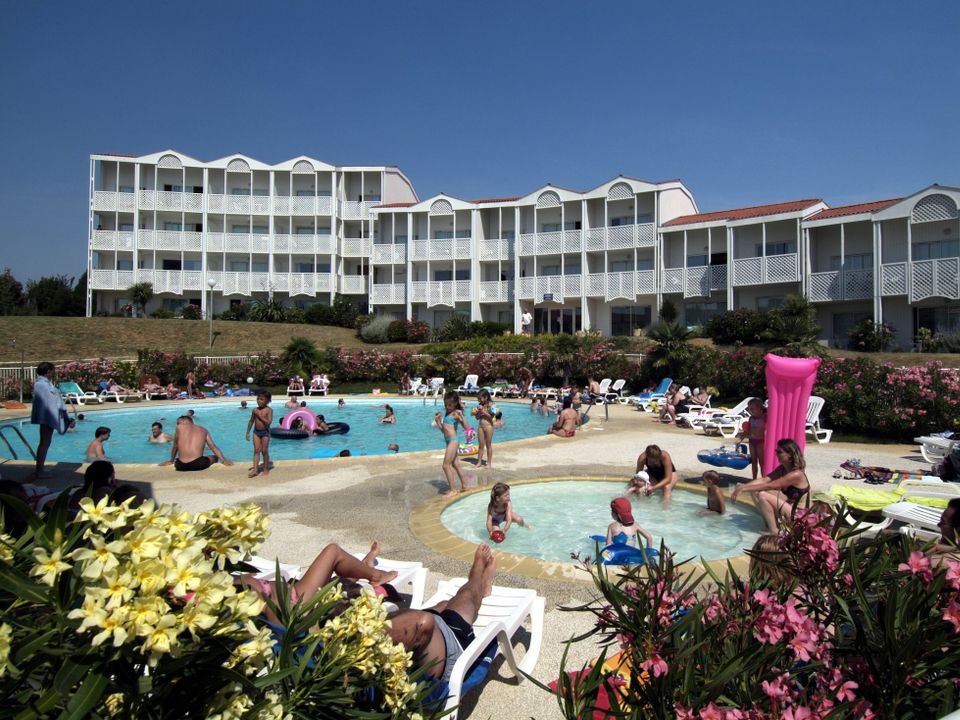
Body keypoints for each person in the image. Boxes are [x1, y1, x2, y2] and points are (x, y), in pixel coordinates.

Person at [386, 544, 495, 686]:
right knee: (466, 597)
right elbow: (424, 621)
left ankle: (480, 587)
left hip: (430, 631)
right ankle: (478, 575)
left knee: (445, 604)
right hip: (443, 648)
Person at [241, 541, 398, 626]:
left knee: (333, 584)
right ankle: (376, 575)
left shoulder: (227, 590)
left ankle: (364, 566)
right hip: (299, 605)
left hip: (296, 593)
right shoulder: (237, 599)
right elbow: (278, 623)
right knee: (333, 551)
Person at [731, 438, 810, 534]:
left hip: (799, 514)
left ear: (790, 454)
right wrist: (742, 487)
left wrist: (743, 488)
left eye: (779, 452)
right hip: (789, 507)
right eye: (776, 451)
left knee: (763, 495)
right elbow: (765, 479)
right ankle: (769, 524)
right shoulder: (783, 469)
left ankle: (774, 531)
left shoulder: (796, 474)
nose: (776, 454)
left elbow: (770, 485)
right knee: (755, 491)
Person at [29, 362, 70, 480]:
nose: (54, 372)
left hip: (46, 417)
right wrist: (61, 416)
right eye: (53, 370)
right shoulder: (43, 385)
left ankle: (40, 468)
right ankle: (39, 470)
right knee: (45, 443)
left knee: (45, 442)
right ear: (48, 371)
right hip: (47, 417)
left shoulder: (42, 384)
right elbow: (52, 402)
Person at [159, 415, 234, 471]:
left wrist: (171, 461)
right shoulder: (204, 430)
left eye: (178, 423)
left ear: (183, 421)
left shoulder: (179, 427)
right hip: (199, 464)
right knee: (214, 457)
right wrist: (223, 460)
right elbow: (213, 447)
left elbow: (175, 446)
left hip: (180, 465)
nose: (177, 424)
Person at [435, 391, 467, 496]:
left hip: (453, 441)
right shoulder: (448, 413)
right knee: (456, 464)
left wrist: (462, 419)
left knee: (445, 466)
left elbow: (467, 427)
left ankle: (453, 490)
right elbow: (444, 431)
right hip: (449, 441)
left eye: (450, 405)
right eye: (445, 405)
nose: (447, 407)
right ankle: (465, 486)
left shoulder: (456, 413)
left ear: (455, 403)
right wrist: (439, 421)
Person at [245, 392, 273, 478]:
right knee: (256, 450)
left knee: (264, 450)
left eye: (261, 399)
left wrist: (259, 415)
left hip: (265, 432)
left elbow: (268, 422)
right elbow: (251, 421)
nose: (259, 401)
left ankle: (266, 468)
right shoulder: (254, 410)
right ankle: (255, 470)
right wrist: (248, 432)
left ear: (267, 401)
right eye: (258, 399)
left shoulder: (269, 410)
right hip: (256, 432)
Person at [737, 398, 767, 480]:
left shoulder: (765, 417)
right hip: (752, 441)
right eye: (749, 409)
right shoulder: (751, 418)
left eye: (752, 409)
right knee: (754, 461)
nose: (750, 411)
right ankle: (754, 479)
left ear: (759, 408)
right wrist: (740, 439)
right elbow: (747, 431)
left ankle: (764, 479)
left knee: (762, 462)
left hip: (761, 441)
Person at [475, 390, 495, 469]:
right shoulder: (479, 405)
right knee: (480, 445)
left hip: (489, 426)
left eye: (480, 399)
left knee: (488, 445)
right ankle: (479, 462)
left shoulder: (492, 405)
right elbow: (477, 418)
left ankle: (489, 463)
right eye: (478, 399)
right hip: (480, 426)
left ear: (486, 397)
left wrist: (483, 410)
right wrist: (479, 411)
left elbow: (491, 417)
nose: (479, 401)